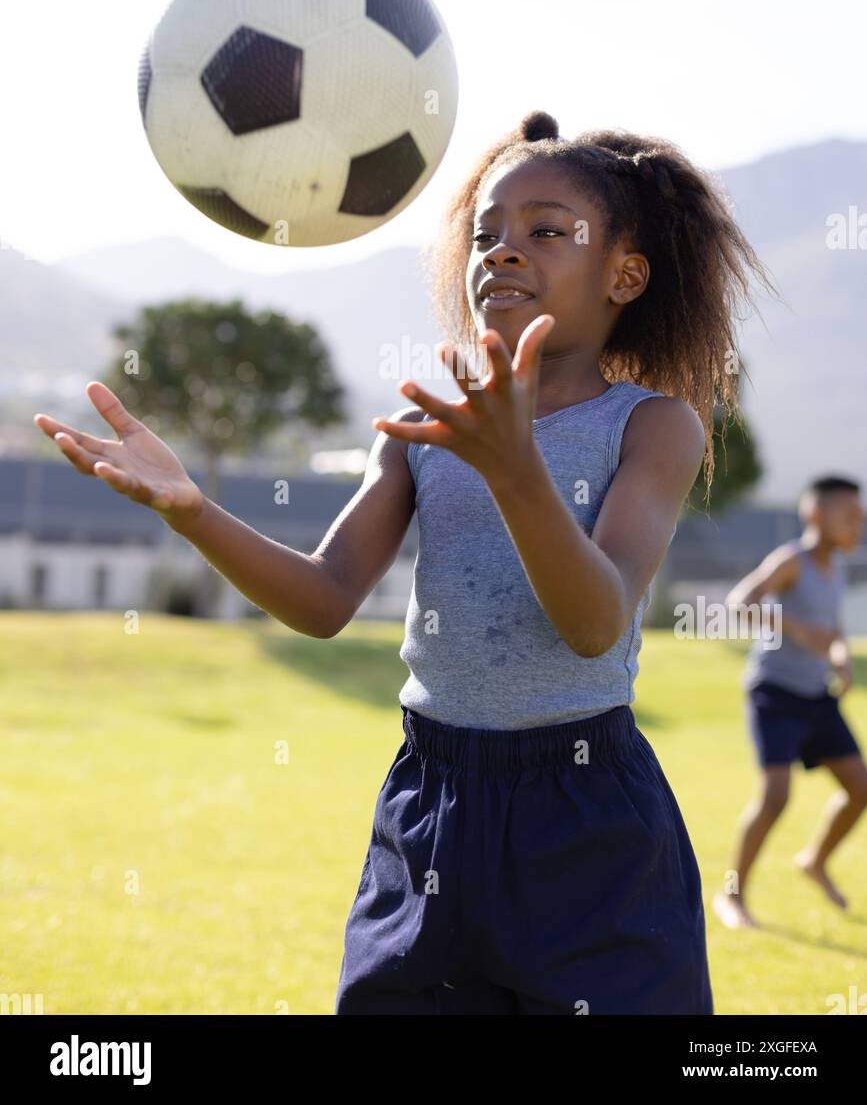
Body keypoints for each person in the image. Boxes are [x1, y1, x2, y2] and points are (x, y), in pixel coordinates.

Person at [35, 110, 772, 1014]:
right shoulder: (427, 428)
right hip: (431, 807)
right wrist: (193, 513)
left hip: (587, 818)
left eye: (545, 231)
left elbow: (593, 623)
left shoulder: (652, 426)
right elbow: (325, 597)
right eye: (485, 234)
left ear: (624, 274)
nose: (501, 252)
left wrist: (514, 469)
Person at [713, 477, 867, 930]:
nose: (859, 524)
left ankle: (814, 861)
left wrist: (839, 657)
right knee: (776, 796)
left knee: (861, 788)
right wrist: (799, 629)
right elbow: (740, 601)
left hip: (815, 695)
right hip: (774, 693)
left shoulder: (837, 567)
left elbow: (833, 629)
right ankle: (731, 895)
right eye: (850, 515)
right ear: (816, 515)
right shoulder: (791, 560)